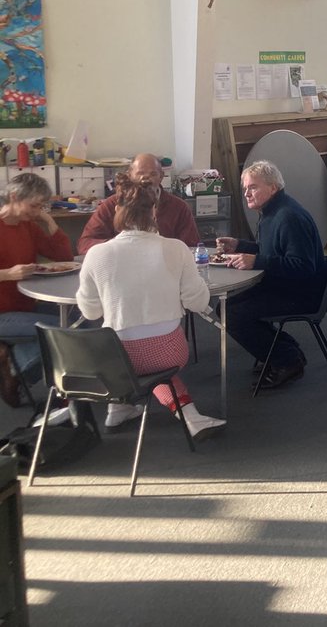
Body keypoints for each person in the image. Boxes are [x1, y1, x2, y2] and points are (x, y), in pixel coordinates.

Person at [75, 174, 225, 438]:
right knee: (156, 366)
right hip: (168, 352)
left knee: (132, 357)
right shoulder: (177, 249)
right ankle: (190, 417)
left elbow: (91, 312)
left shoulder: (97, 255)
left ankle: (117, 409)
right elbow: (198, 303)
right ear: (154, 210)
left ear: (117, 210)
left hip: (116, 359)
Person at [216, 161, 325, 391]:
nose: (246, 193)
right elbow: (272, 249)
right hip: (285, 285)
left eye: (253, 187)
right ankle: (285, 350)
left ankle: (287, 360)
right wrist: (240, 245)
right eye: (245, 188)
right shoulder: (273, 210)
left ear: (273, 188)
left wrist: (257, 261)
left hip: (301, 293)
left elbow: (304, 267)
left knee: (231, 314)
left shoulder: (287, 217)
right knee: (225, 309)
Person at [0, 173, 73, 406]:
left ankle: (17, 366)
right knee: (59, 329)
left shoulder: (28, 226)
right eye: (33, 205)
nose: (36, 211)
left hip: (25, 305)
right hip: (3, 312)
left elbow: (63, 257)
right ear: (13, 197)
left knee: (82, 319)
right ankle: (17, 372)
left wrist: (49, 221)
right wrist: (7, 274)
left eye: (40, 206)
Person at [78, 153, 200, 254]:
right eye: (140, 173)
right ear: (129, 176)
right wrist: (119, 246)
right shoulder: (113, 204)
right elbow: (85, 243)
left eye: (153, 174)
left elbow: (192, 246)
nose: (145, 179)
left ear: (161, 176)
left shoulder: (178, 207)